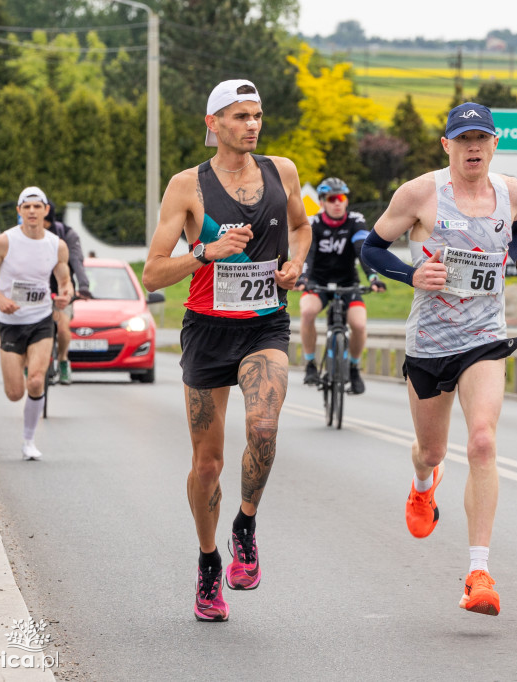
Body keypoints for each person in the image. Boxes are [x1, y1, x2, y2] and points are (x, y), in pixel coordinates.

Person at [360, 102, 517, 616]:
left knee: (483, 442)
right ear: (447, 146)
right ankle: (423, 486)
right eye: (462, 139)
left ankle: (478, 573)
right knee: (432, 451)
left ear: (493, 144)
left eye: (481, 139)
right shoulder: (421, 193)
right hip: (431, 340)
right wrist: (410, 274)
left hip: (485, 334)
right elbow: (371, 249)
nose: (472, 148)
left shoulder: (512, 193)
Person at [141, 79, 311, 623]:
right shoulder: (187, 186)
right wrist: (205, 252)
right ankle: (209, 562)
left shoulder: (281, 171)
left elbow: (301, 228)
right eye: (241, 117)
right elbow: (152, 273)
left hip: (264, 324)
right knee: (207, 464)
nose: (253, 125)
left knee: (263, 427)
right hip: (208, 331)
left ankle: (245, 524)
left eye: (258, 115)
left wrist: (294, 265)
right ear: (213, 123)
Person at [0, 186, 73, 461]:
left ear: (45, 211)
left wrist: (66, 295)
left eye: (36, 206)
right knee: (15, 393)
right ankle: (20, 376)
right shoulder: (5, 241)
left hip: (41, 319)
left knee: (36, 381)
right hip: (10, 321)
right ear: (19, 211)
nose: (31, 211)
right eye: (26, 206)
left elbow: (65, 282)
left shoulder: (56, 245)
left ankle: (29, 441)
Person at [296, 176, 385, 394]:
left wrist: (373, 277)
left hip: (348, 283)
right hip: (318, 282)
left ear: (346, 201)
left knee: (359, 325)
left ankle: (354, 368)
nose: (337, 202)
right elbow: (308, 254)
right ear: (323, 202)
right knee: (307, 312)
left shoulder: (356, 220)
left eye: (341, 197)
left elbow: (362, 250)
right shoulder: (313, 223)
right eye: (332, 198)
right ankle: (310, 364)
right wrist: (303, 278)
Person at [44, 201, 92, 385]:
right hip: (36, 290)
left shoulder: (67, 235)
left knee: (63, 328)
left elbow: (77, 260)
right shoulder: (27, 234)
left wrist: (84, 285)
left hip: (61, 289)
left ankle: (63, 360)